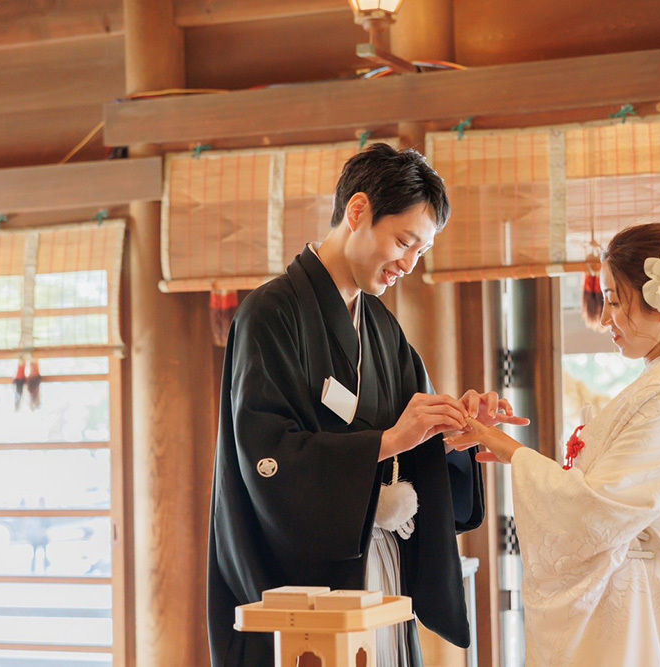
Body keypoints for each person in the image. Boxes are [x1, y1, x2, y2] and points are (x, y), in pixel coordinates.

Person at [207, 143, 526, 666]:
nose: (408, 263)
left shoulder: (383, 330)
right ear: (357, 212)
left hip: (381, 575)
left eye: (420, 252)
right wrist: (389, 441)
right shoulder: (269, 313)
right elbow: (266, 456)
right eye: (403, 241)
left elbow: (412, 443)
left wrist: (453, 432)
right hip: (304, 586)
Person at [449, 223, 660, 666]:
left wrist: (509, 450)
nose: (603, 318)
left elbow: (596, 511)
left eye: (614, 300)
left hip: (643, 623)